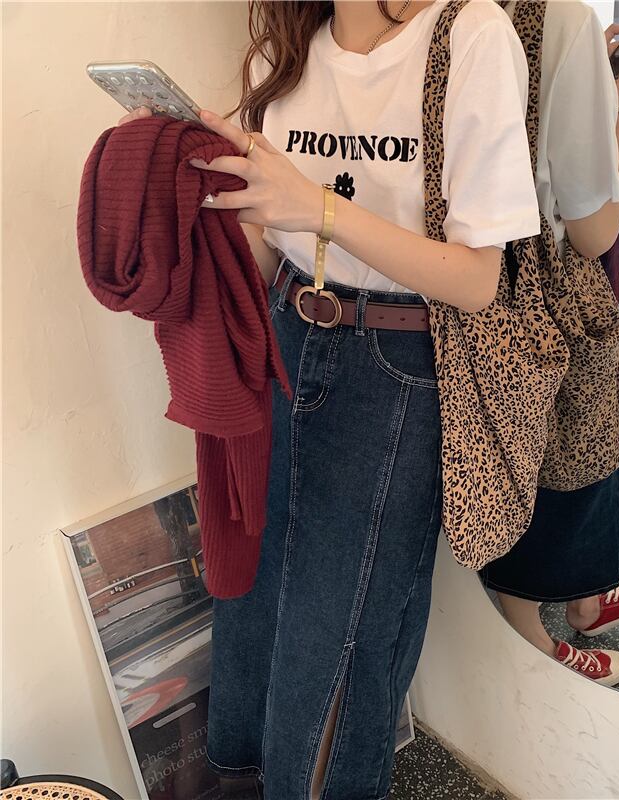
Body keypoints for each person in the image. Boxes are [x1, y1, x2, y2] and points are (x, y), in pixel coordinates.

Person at [119, 1, 538, 797]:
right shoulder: (285, 47)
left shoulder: (468, 32)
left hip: (398, 361)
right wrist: (194, 186)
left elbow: (478, 279)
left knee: (342, 637)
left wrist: (315, 208)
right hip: (284, 332)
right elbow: (264, 247)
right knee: (257, 593)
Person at [478, 2, 619, 688]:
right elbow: (594, 231)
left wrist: (585, 71)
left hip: (479, 270)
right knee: (565, 451)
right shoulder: (557, 15)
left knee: (543, 450)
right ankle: (537, 638)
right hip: (543, 280)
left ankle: (587, 599)